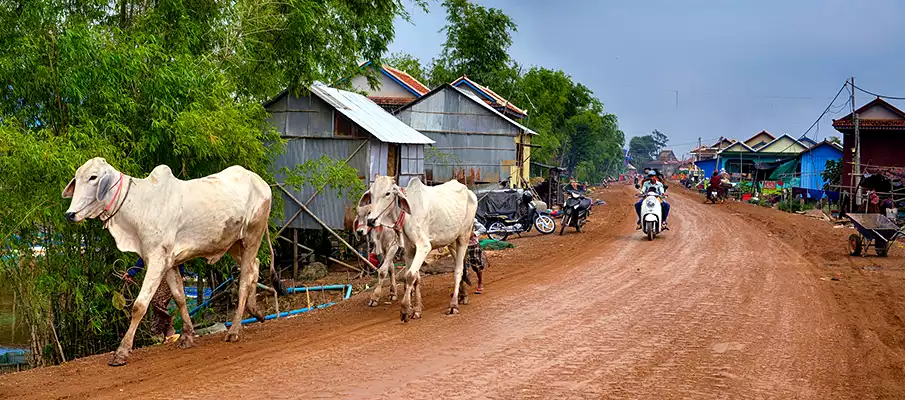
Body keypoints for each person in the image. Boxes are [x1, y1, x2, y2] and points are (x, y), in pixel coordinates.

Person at [124, 259, 187, 343]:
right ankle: (168, 336)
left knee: (157, 301)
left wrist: (180, 273)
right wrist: (132, 272)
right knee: (158, 304)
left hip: (171, 274)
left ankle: (169, 331)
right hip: (156, 275)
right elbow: (145, 256)